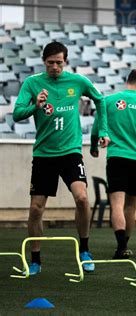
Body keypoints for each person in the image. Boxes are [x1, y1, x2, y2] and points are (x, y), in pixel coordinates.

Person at [13, 41, 109, 275]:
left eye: (59, 62)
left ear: (65, 61)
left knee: (82, 198)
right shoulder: (32, 84)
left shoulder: (77, 81)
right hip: (44, 154)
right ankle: (35, 260)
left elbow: (101, 100)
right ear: (43, 62)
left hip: (70, 151)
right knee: (36, 208)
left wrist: (103, 131)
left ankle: (84, 250)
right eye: (50, 63)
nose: (55, 67)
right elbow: (17, 114)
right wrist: (35, 105)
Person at [90, 69, 136, 259]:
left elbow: (96, 127)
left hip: (116, 158)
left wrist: (94, 147)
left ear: (128, 81)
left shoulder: (107, 101)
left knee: (116, 204)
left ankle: (121, 246)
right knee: (131, 207)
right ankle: (125, 245)